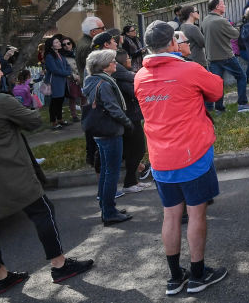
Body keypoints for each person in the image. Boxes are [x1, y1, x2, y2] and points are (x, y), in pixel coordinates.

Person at [0, 53, 94, 295]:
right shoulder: (0, 102)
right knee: (42, 211)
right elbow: (34, 121)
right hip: (12, 169)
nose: (2, 73)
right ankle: (59, 265)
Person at [135, 21, 228, 295]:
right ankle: (198, 274)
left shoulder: (140, 75)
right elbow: (217, 90)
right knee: (197, 213)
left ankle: (175, 277)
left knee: (171, 216)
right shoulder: (188, 68)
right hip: (192, 154)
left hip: (160, 157)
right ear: (173, 43)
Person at [82, 49, 133, 226]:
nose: (115, 64)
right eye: (112, 61)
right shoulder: (104, 84)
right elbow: (113, 108)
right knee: (111, 172)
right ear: (103, 66)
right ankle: (109, 212)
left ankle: (107, 207)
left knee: (105, 171)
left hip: (99, 132)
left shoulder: (93, 81)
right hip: (110, 132)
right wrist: (128, 123)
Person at [201, 0, 249, 114]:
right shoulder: (221, 21)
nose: (225, 6)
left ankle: (219, 108)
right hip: (226, 56)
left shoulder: (205, 20)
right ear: (217, 7)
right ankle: (243, 104)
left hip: (212, 58)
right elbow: (235, 34)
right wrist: (236, 27)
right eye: (223, 4)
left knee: (218, 83)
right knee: (242, 77)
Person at [113, 50, 151, 194]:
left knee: (135, 150)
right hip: (130, 118)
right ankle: (129, 182)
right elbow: (136, 93)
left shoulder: (125, 76)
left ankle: (133, 181)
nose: (130, 60)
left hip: (131, 117)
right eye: (128, 58)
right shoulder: (124, 79)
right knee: (137, 149)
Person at [42, 36, 72, 130]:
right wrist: (67, 73)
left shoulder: (60, 55)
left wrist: (68, 72)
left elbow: (67, 65)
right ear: (51, 46)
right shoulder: (49, 57)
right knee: (54, 102)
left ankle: (60, 119)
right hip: (54, 82)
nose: (59, 43)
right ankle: (53, 122)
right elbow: (54, 70)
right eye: (56, 42)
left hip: (62, 81)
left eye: (59, 42)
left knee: (60, 101)